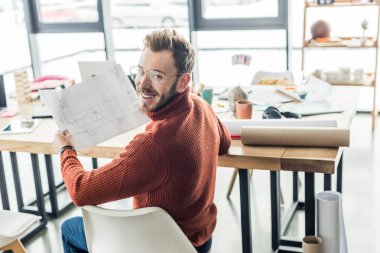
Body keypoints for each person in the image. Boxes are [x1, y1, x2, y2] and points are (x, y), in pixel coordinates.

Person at [53, 29, 231, 253]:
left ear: (183, 82)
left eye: (156, 75)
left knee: (69, 228)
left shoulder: (154, 146)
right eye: (140, 72)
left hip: (157, 246)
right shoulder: (201, 106)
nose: (142, 84)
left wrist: (66, 149)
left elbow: (81, 191)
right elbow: (224, 143)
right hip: (198, 241)